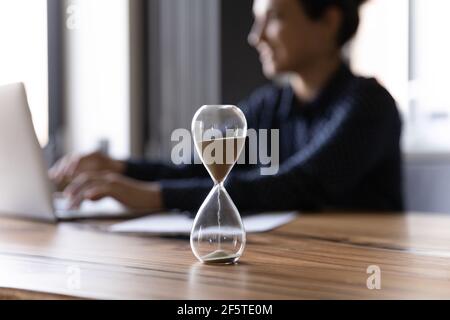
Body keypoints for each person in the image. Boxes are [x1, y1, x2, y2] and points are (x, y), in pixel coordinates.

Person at [50, 0, 403, 213]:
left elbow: (300, 184)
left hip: (354, 265)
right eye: (256, 18)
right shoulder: (271, 105)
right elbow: (204, 168)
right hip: (286, 255)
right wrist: (120, 168)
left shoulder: (368, 105)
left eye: (275, 17)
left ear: (328, 21)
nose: (255, 36)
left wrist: (154, 196)